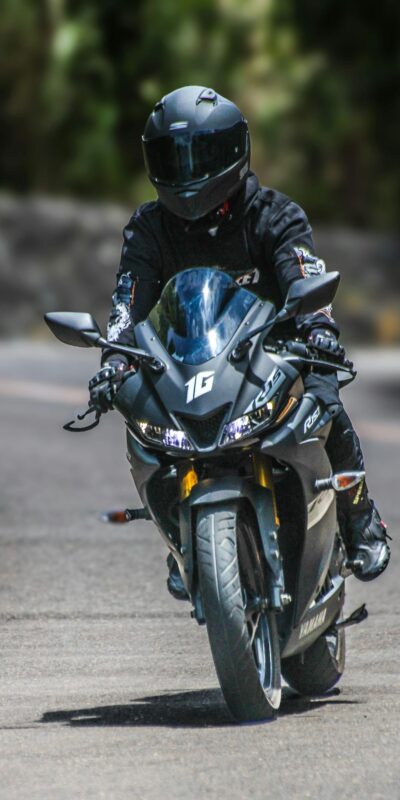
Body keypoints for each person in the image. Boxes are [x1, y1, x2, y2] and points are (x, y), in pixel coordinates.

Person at [89, 85, 390, 594]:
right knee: (140, 426)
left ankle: (359, 514)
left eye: (200, 156)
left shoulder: (275, 214)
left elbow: (304, 281)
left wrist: (317, 329)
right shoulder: (147, 230)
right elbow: (127, 305)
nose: (187, 174)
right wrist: (114, 358)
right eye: (172, 159)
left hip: (274, 354)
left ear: (234, 151)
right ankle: (183, 538)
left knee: (324, 401)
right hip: (189, 366)